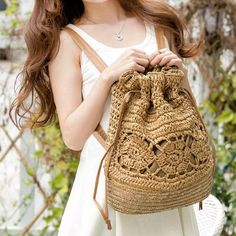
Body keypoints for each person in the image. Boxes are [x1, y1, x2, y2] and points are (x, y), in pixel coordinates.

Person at [10, 0, 203, 235]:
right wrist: (106, 78)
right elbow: (73, 137)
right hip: (107, 193)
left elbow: (190, 116)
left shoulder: (158, 26)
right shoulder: (67, 42)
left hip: (166, 184)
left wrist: (179, 74)